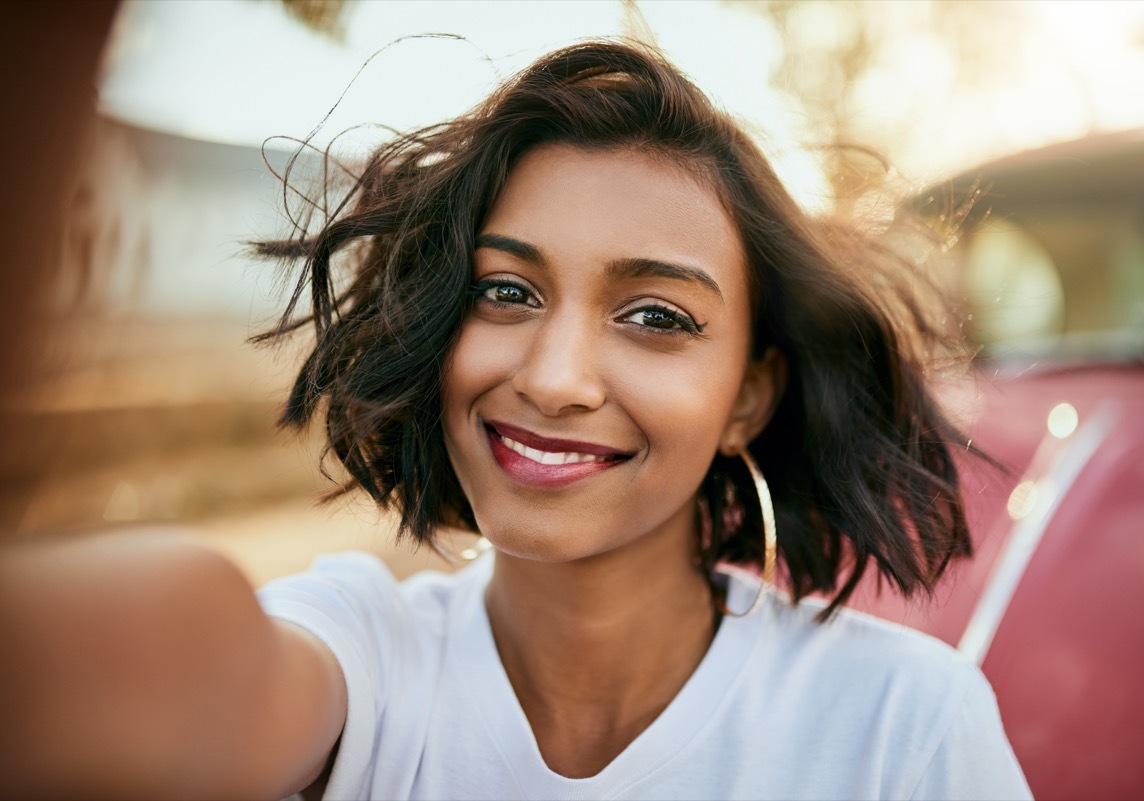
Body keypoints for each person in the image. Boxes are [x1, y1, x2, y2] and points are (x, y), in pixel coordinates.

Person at [0, 40, 1031, 800]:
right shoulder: (365, 659)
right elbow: (193, 668)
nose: (555, 376)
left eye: (655, 316)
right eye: (507, 292)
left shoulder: (905, 727)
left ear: (749, 396)